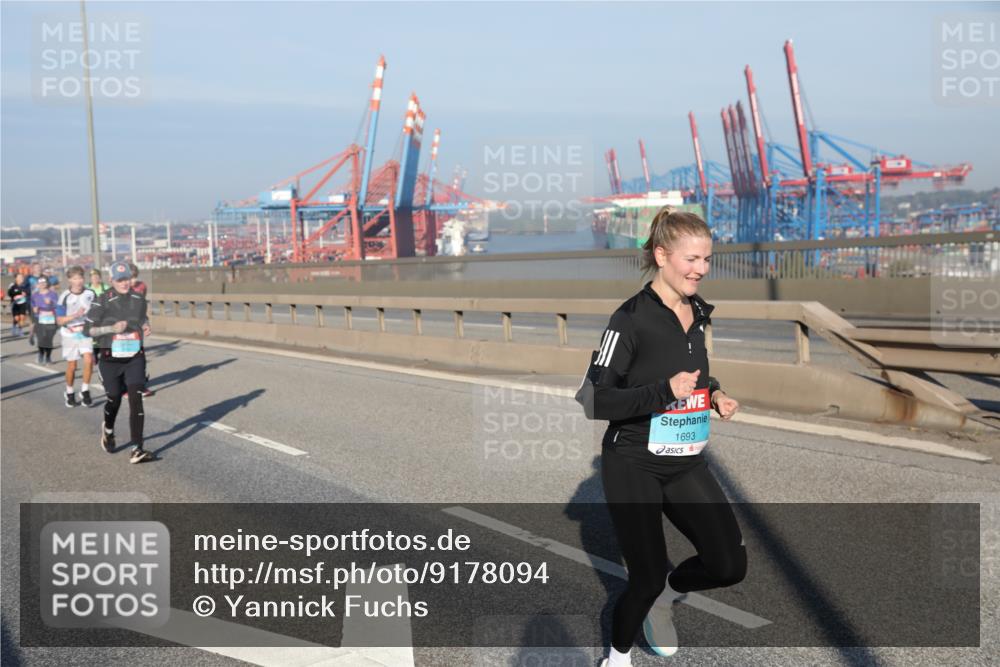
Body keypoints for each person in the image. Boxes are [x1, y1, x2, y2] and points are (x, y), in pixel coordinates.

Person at [575, 209, 744, 665]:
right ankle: (617, 656)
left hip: (684, 460)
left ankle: (666, 600)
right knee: (645, 576)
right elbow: (594, 401)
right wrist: (661, 392)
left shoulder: (699, 311)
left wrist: (714, 394)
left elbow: (694, 374)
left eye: (707, 259)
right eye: (692, 259)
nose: (701, 269)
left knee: (729, 564)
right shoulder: (629, 319)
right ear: (661, 255)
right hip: (633, 463)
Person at [83, 261, 155, 464]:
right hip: (110, 359)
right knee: (114, 398)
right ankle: (108, 429)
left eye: (127, 279)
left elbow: (142, 318)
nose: (125, 283)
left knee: (136, 397)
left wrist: (146, 325)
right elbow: (87, 330)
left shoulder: (138, 298)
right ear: (111, 280)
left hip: (134, 357)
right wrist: (111, 329)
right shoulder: (101, 301)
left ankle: (137, 448)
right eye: (120, 280)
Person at [56, 266, 97, 407]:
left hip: (85, 332)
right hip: (70, 333)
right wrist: (75, 315)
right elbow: (59, 320)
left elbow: (98, 311)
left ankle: (85, 390)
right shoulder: (64, 297)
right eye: (74, 278)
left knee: (89, 359)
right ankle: (69, 392)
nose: (78, 281)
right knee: (72, 366)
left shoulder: (90, 293)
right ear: (69, 280)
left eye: (80, 278)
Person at [128, 262, 155, 398]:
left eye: (135, 277)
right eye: (131, 277)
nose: (133, 280)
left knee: (140, 358)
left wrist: (146, 324)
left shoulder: (142, 287)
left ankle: (141, 385)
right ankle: (125, 387)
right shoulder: (119, 289)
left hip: (137, 327)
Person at [30, 276, 59, 364]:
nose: (42, 284)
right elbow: (32, 306)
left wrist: (51, 303)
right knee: (41, 339)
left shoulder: (53, 294)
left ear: (47, 283)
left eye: (44, 282)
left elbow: (58, 306)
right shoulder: (35, 295)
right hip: (39, 319)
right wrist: (34, 310)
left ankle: (48, 357)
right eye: (40, 283)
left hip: (51, 319)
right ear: (38, 285)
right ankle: (41, 354)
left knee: (49, 339)